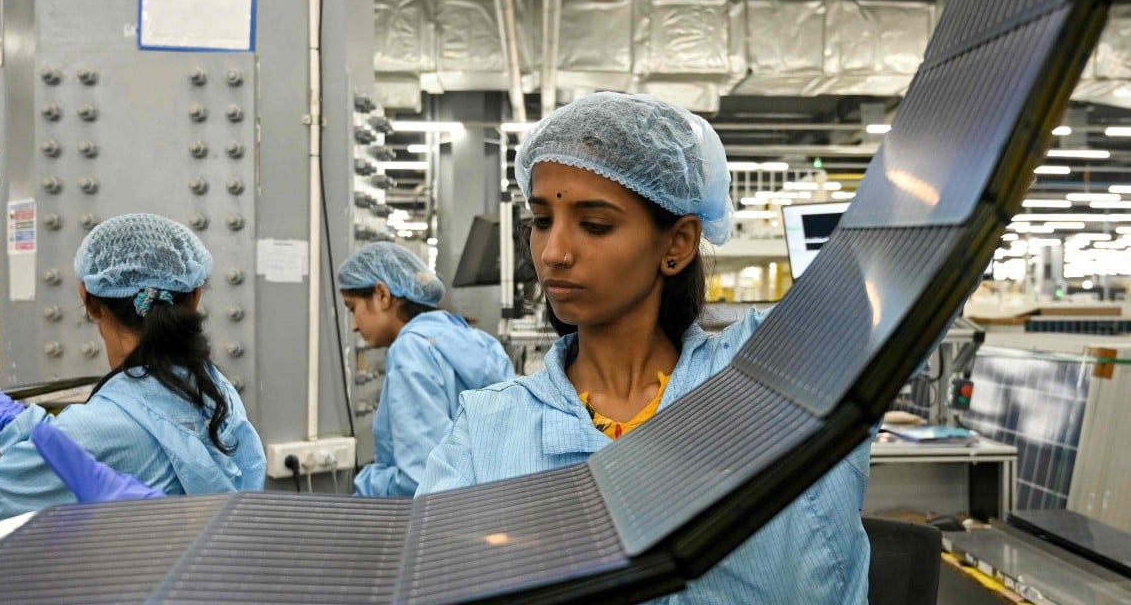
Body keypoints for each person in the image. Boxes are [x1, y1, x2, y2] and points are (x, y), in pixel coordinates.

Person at [417, 93, 871, 603]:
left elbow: (910, 276)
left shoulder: (779, 377)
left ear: (677, 243)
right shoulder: (487, 430)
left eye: (595, 225)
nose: (553, 253)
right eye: (542, 221)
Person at [0, 213, 266, 545]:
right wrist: (25, 427)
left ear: (88, 299)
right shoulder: (213, 389)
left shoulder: (95, 431)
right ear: (195, 297)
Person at [339, 242, 514, 497]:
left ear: (382, 295)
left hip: (443, 514)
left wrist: (369, 486)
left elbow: (422, 478)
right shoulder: (478, 340)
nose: (354, 325)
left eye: (352, 308)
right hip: (491, 503)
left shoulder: (410, 350)